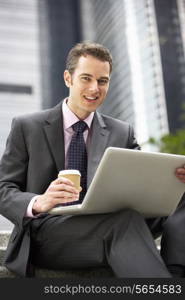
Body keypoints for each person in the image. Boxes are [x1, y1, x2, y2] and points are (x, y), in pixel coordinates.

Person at [0, 41, 180, 278]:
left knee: (181, 193)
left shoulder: (121, 131)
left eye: (102, 81)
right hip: (49, 234)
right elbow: (4, 189)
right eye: (86, 78)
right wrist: (39, 202)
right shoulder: (27, 126)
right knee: (123, 223)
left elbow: (141, 181)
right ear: (68, 78)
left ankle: (176, 274)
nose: (94, 88)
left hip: (111, 223)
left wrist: (172, 182)